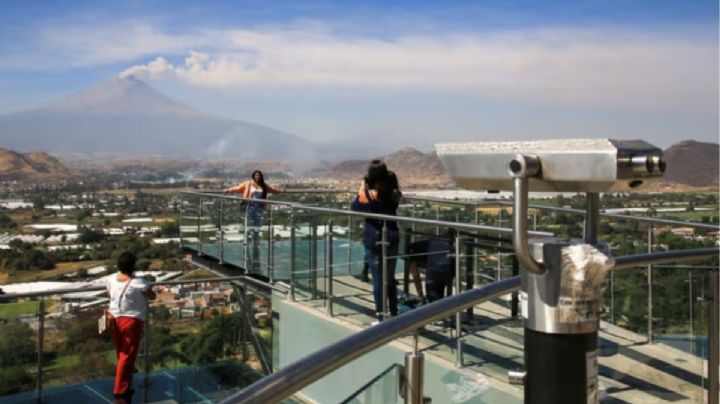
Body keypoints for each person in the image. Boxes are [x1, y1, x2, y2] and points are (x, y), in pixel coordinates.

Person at [351, 161, 402, 323]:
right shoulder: (393, 193)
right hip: (392, 236)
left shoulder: (370, 194)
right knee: (390, 277)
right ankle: (394, 313)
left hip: (374, 237)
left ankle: (381, 316)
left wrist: (362, 186)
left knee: (379, 279)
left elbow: (355, 206)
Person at [107, 251, 155, 404]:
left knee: (121, 353)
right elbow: (152, 296)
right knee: (127, 355)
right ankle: (120, 390)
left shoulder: (111, 279)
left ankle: (124, 384)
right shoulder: (138, 282)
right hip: (131, 321)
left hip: (114, 319)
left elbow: (110, 294)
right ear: (133, 266)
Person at [224, 170, 283, 272]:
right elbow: (238, 188)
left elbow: (272, 190)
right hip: (249, 207)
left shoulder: (263, 185)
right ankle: (246, 243)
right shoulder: (248, 184)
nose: (257, 177)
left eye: (259, 175)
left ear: (261, 177)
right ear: (253, 176)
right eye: (256, 175)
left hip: (258, 209)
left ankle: (255, 243)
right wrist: (228, 190)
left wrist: (281, 191)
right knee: (249, 225)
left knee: (257, 226)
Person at [407, 230, 456, 304]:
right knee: (440, 297)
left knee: (433, 303)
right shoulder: (447, 244)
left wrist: (421, 295)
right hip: (446, 272)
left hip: (434, 276)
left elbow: (415, 274)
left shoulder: (413, 250)